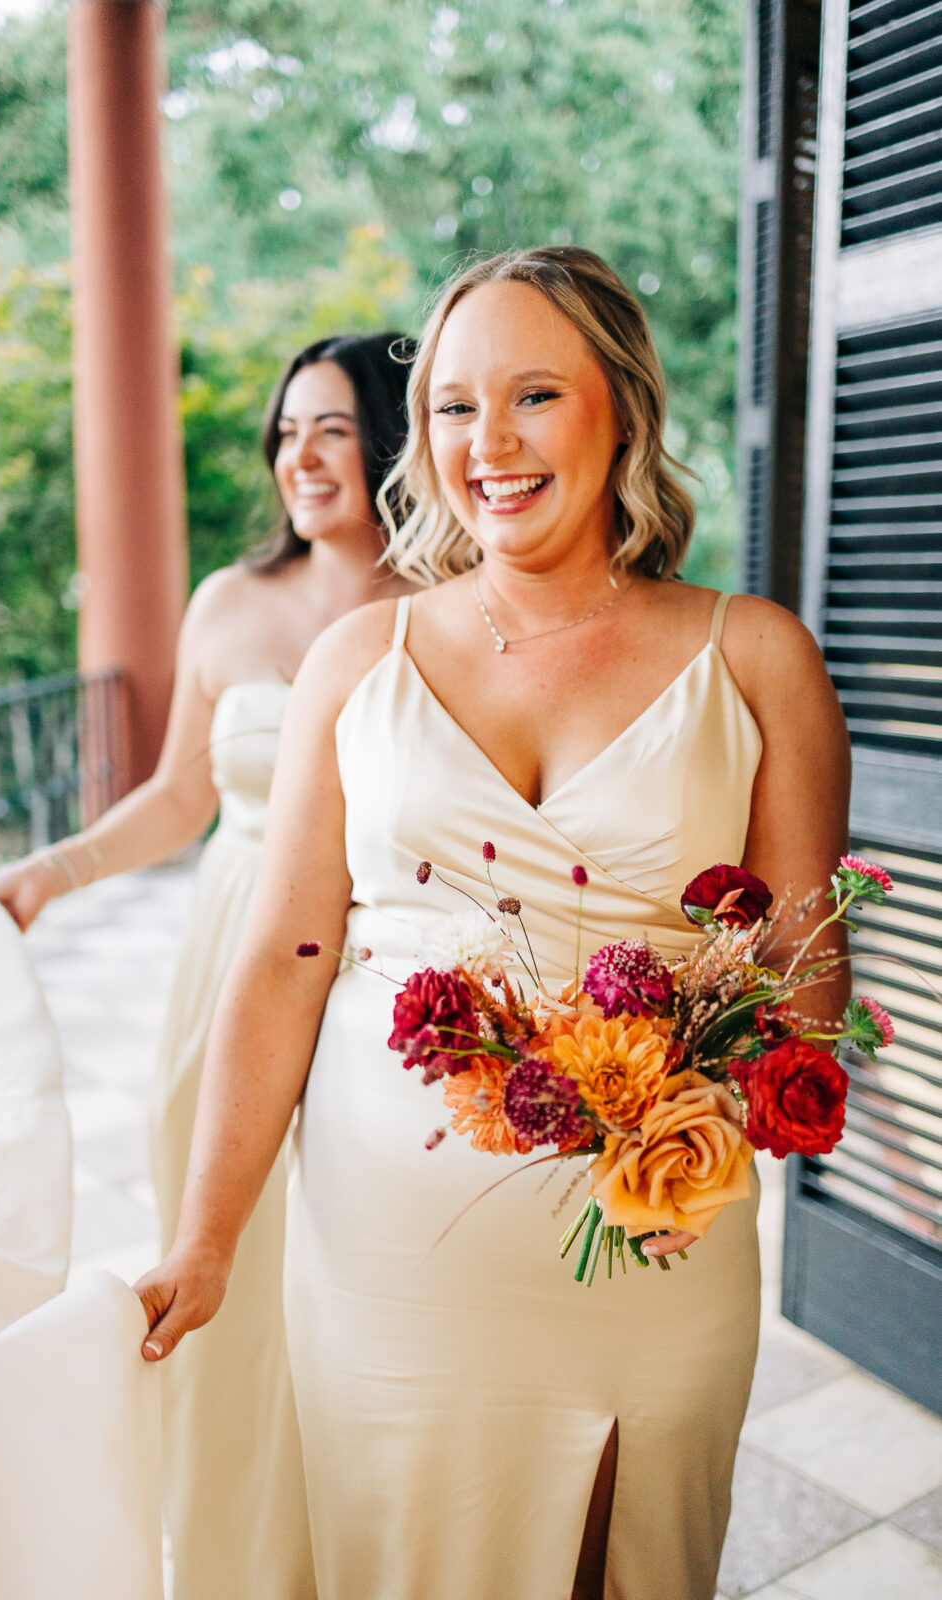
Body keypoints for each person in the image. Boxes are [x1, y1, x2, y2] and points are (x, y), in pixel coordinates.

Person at [134, 249, 850, 1600]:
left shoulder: (753, 657)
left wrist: (662, 1063)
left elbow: (803, 996)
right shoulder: (358, 661)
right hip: (384, 1264)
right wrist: (209, 1238)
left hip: (652, 1247)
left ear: (620, 412)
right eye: (453, 408)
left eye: (532, 396)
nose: (488, 444)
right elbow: (282, 964)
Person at [0, 330, 416, 1600]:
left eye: (330, 427)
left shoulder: (447, 602)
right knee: (226, 1274)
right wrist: (48, 872)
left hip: (379, 975)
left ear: (386, 437)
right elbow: (178, 798)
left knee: (360, 1277)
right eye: (285, 432)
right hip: (228, 968)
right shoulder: (227, 601)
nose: (299, 455)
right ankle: (241, 1567)